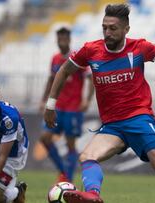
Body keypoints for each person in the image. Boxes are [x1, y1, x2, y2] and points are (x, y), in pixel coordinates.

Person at [44, 3, 155, 203]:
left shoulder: (139, 48)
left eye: (113, 28)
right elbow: (64, 70)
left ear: (126, 30)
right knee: (87, 156)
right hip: (112, 126)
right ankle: (93, 196)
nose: (107, 32)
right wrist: (50, 104)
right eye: (104, 27)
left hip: (139, 119)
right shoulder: (91, 50)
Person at [39, 27, 94, 183]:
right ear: (57, 40)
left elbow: (91, 79)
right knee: (45, 138)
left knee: (70, 144)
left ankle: (67, 180)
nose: (62, 40)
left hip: (73, 108)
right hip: (57, 107)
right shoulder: (55, 59)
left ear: (69, 40)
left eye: (65, 38)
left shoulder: (76, 58)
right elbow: (51, 80)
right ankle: (64, 171)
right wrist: (44, 100)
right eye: (59, 38)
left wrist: (87, 100)